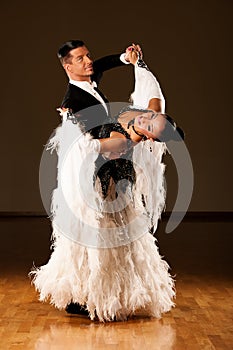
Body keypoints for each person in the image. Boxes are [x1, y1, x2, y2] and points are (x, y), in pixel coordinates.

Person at [30, 46, 181, 322]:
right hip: (98, 176)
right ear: (67, 67)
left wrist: (127, 58)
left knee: (120, 234)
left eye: (87, 56)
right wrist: (126, 138)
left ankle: (100, 294)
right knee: (97, 236)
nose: (89, 62)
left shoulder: (88, 76)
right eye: (81, 59)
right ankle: (86, 296)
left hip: (114, 168)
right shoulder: (74, 101)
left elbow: (102, 64)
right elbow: (94, 144)